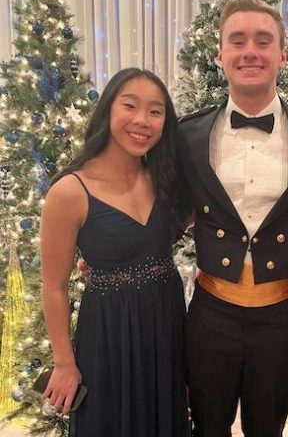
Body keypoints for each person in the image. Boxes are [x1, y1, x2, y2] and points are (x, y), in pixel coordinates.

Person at [177, 0, 288, 437]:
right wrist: (116, 251)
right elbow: (168, 212)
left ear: (282, 54)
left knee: (268, 428)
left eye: (263, 41)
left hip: (279, 317)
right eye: (237, 40)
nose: (250, 51)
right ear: (219, 53)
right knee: (208, 428)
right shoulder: (187, 134)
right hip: (210, 315)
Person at [40, 68, 190, 437]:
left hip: (166, 326)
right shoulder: (70, 191)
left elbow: (203, 223)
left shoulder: (166, 179)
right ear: (108, 109)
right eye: (130, 106)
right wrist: (63, 363)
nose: (142, 120)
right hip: (108, 335)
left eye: (156, 111)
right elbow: (54, 287)